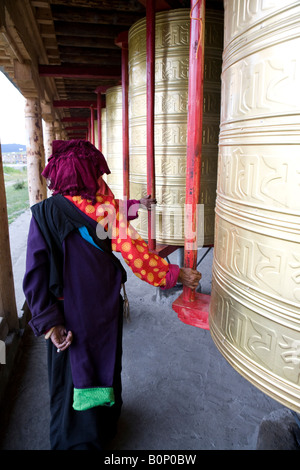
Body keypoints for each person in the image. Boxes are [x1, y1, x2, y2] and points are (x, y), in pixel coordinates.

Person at [23, 139, 202, 450]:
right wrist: (174, 274)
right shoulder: (104, 213)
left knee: (67, 375)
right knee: (102, 365)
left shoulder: (44, 214)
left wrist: (50, 323)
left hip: (63, 313)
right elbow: (139, 258)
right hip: (101, 312)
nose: (101, 180)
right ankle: (100, 430)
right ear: (86, 175)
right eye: (97, 173)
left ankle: (69, 438)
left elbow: (34, 275)